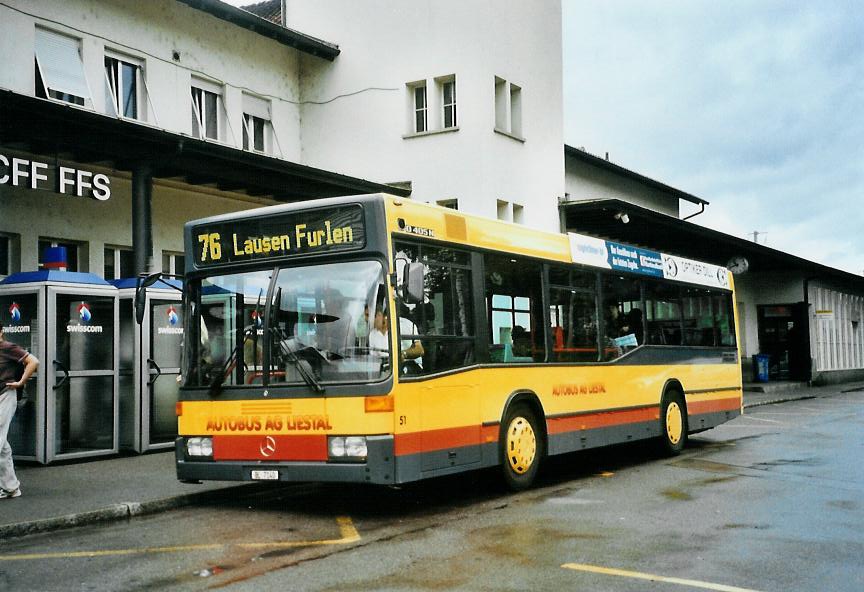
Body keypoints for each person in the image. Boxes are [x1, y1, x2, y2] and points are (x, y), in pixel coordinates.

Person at [0, 321, 39, 500]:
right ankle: (11, 488)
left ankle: (10, 487)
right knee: (3, 446)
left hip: (6, 396)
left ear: (1, 332)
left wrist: (21, 382)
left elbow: (33, 361)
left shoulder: (8, 347)